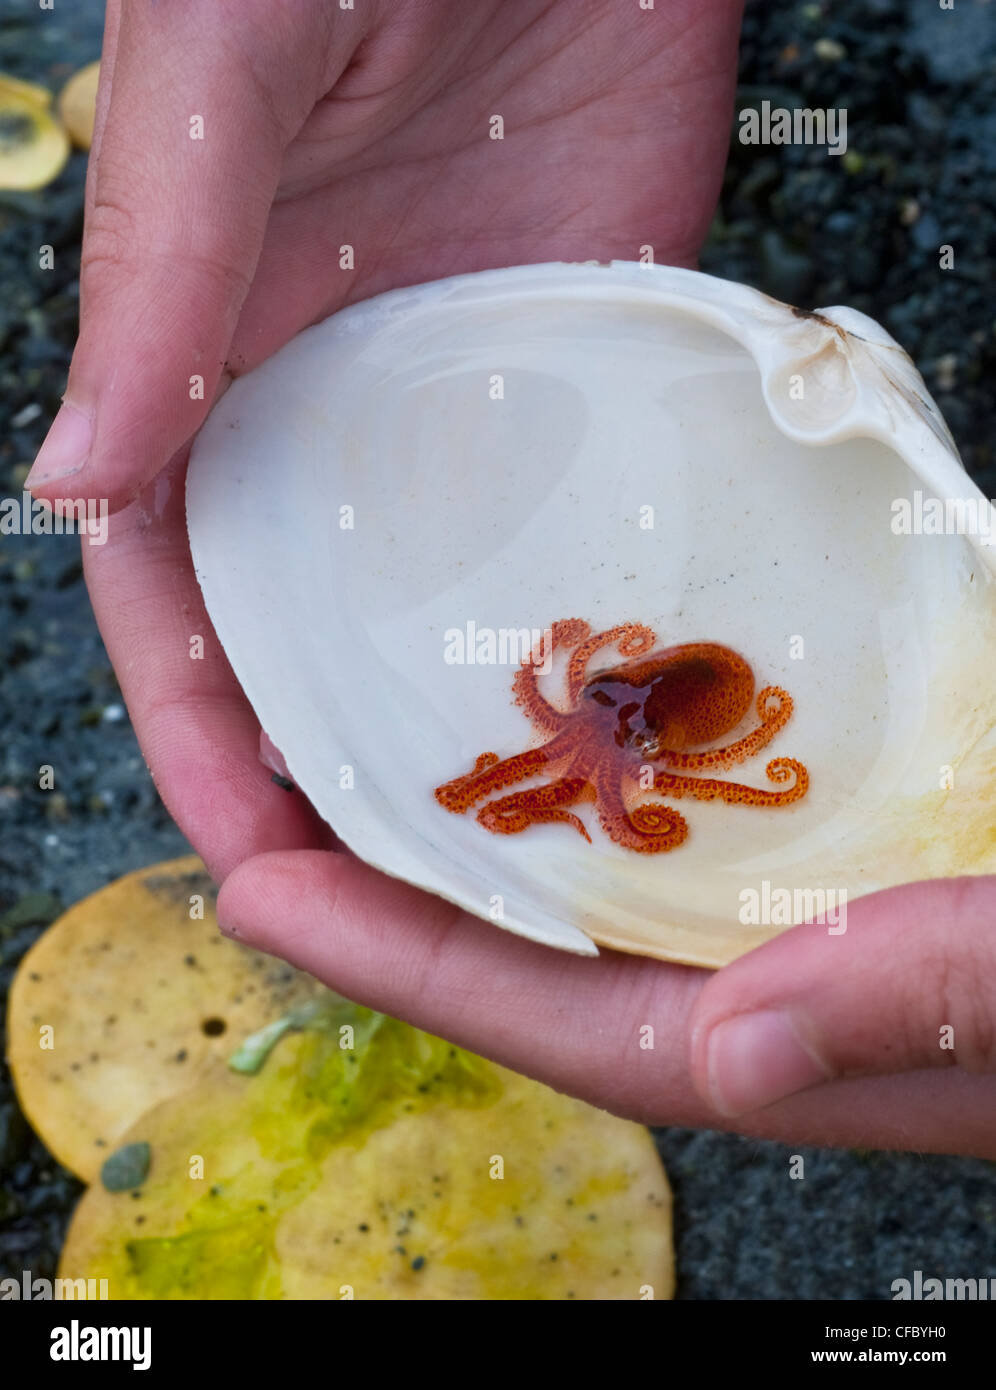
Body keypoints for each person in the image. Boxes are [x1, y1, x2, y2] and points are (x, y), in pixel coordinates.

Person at [27, 0, 996, 1158]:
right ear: (605, 688)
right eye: (601, 713)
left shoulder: (640, 719)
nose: (588, 740)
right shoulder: (617, 716)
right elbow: (607, 705)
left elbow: (636, 715)